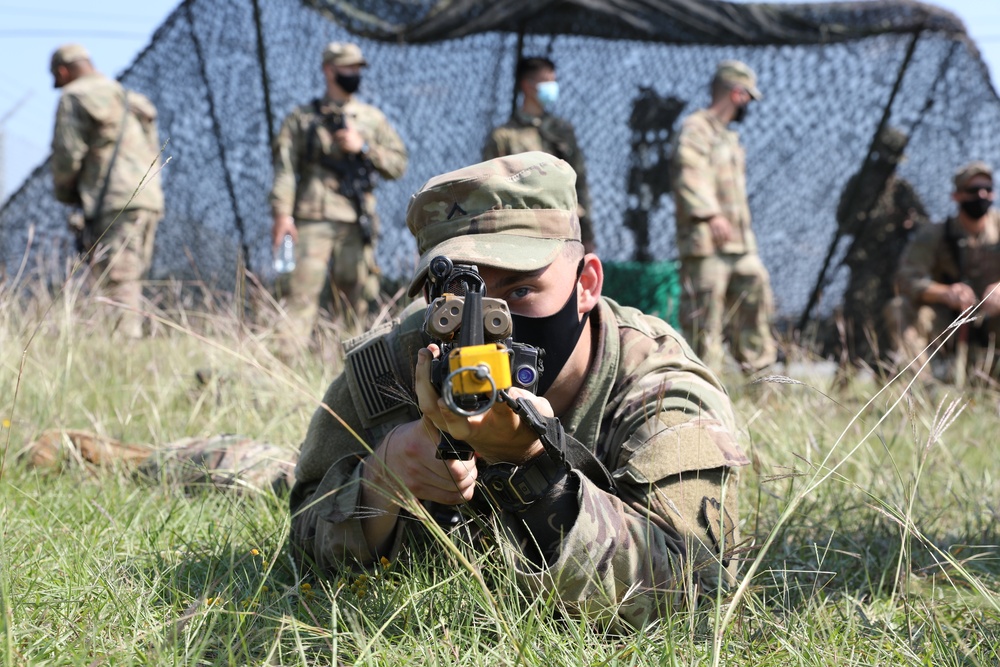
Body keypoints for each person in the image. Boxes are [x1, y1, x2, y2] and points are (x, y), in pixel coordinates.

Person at [289, 152, 748, 629]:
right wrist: (382, 480)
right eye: (456, 300)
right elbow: (301, 532)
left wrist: (535, 473)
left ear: (586, 283)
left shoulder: (657, 386)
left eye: (520, 291)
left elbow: (701, 593)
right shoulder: (392, 365)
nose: (486, 326)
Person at [269, 41, 408, 345]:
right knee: (298, 296)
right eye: (348, 67)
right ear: (329, 70)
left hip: (356, 223)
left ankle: (348, 374)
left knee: (354, 303)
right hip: (311, 218)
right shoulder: (302, 119)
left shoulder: (371, 118)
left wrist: (365, 148)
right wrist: (282, 215)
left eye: (358, 68)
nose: (355, 73)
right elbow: (285, 170)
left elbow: (398, 165)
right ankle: (284, 366)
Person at [50, 43, 164, 339]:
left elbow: (67, 155)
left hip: (112, 201)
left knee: (117, 281)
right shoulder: (129, 98)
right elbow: (153, 150)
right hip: (148, 198)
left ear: (63, 72)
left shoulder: (75, 96)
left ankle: (124, 354)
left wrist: (65, 193)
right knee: (129, 277)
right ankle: (125, 343)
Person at [671, 60, 777, 375]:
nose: (749, 106)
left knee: (756, 296)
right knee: (704, 324)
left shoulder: (728, 137)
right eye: (748, 97)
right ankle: (701, 394)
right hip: (706, 245)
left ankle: (763, 381)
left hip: (739, 246)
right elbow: (688, 172)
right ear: (737, 93)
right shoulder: (696, 128)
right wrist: (712, 214)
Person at [886, 161, 1000, 379]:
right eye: (974, 190)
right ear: (956, 196)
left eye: (988, 189)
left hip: (994, 325)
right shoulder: (935, 234)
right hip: (949, 324)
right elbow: (906, 278)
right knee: (899, 309)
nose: (982, 195)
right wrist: (944, 293)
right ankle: (921, 394)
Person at [835, 127, 928, 369]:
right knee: (857, 316)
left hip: (894, 263)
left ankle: (885, 375)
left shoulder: (901, 189)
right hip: (865, 264)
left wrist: (909, 222)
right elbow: (843, 221)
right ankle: (847, 371)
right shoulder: (860, 184)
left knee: (890, 319)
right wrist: (872, 220)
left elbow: (924, 221)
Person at [482, 56, 595, 253]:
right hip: (521, 230)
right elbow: (491, 188)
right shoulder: (504, 136)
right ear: (527, 86)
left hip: (563, 227)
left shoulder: (562, 131)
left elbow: (579, 181)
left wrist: (587, 231)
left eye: (554, 81)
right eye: (546, 82)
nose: (552, 87)